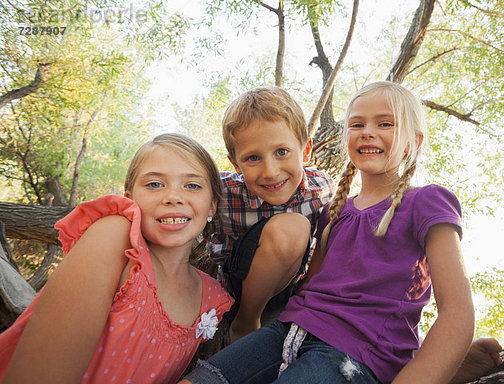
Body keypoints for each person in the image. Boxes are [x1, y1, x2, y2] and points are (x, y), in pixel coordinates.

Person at [181, 81, 475, 384]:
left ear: (413, 141)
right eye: (357, 123)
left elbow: (457, 311)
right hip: (284, 331)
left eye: (385, 123)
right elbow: (309, 289)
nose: (368, 131)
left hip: (350, 352)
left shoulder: (426, 201)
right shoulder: (334, 212)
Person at [0, 133, 233, 383]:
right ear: (130, 198)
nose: (173, 196)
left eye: (193, 185)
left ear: (212, 205)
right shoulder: (116, 239)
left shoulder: (211, 297)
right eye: (155, 184)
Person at [212, 87, 335, 340]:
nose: (270, 172)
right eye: (253, 158)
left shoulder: (322, 189)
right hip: (236, 282)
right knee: (291, 229)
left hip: (288, 285)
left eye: (282, 152)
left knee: (298, 229)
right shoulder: (221, 192)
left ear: (306, 150)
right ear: (235, 164)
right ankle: (245, 322)